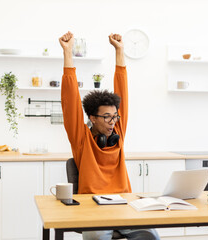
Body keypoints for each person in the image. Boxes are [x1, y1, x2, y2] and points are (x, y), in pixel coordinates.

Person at [59, 31, 160, 240]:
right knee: (97, 237)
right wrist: (68, 52)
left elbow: (122, 89)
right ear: (92, 118)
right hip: (93, 209)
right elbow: (70, 100)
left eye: (115, 116)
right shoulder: (81, 140)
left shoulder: (117, 135)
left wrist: (120, 50)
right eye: (106, 117)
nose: (113, 122)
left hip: (126, 206)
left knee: (152, 235)